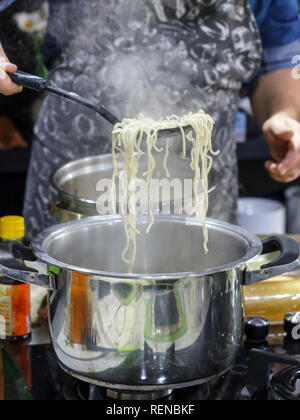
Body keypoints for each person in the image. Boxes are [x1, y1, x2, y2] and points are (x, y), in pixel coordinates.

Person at [1, 0, 300, 237]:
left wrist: (282, 113)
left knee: (195, 299)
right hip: (78, 174)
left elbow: (278, 46)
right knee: (67, 302)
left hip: (201, 177)